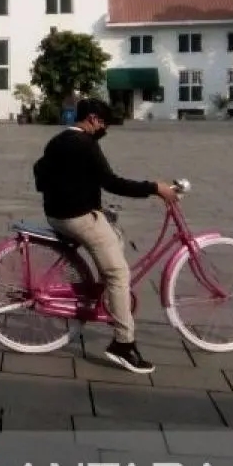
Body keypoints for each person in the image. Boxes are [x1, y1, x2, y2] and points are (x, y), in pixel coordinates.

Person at [32, 97, 179, 374]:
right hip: (77, 217)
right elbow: (112, 182)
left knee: (115, 238)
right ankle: (123, 344)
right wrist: (155, 188)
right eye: (104, 124)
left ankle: (109, 299)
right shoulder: (85, 144)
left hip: (57, 213)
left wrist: (71, 189)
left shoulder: (58, 140)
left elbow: (40, 171)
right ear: (92, 119)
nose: (105, 129)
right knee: (119, 274)